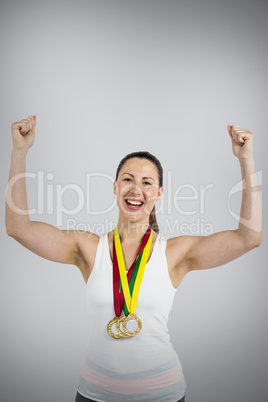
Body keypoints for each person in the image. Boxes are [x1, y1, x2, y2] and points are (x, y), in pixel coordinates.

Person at [5, 115, 262, 402]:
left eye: (147, 182)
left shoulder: (175, 253)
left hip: (163, 396)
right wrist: (20, 150)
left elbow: (248, 238)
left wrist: (246, 160)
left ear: (159, 194)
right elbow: (19, 229)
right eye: (127, 179)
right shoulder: (89, 248)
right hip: (93, 395)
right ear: (115, 187)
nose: (136, 189)